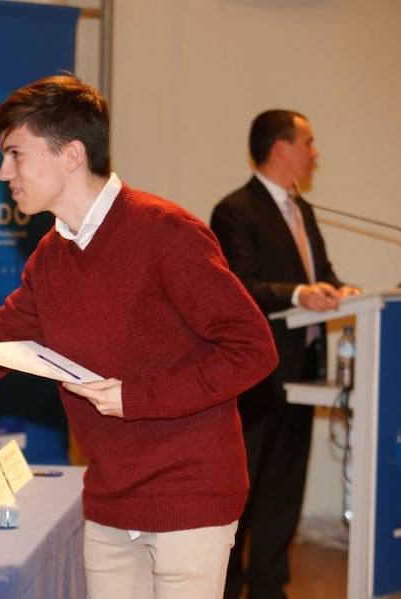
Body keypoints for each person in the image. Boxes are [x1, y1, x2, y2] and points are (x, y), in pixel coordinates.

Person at [0, 75, 278, 598]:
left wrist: (136, 399)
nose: (4, 173)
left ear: (70, 155)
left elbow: (253, 349)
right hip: (111, 499)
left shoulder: (166, 232)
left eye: (16, 155)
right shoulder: (51, 256)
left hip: (190, 496)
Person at [211, 109, 359, 599]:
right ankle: (227, 590)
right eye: (308, 142)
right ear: (281, 148)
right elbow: (239, 287)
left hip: (303, 374)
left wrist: (346, 292)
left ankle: (271, 588)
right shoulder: (236, 210)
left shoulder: (304, 210)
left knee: (284, 492)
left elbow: (323, 274)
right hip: (258, 378)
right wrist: (299, 294)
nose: (315, 153)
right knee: (245, 494)